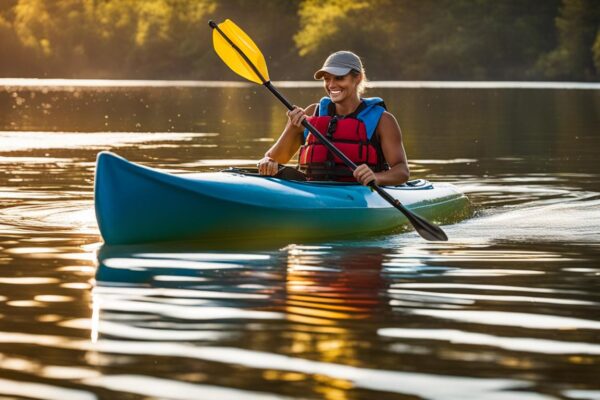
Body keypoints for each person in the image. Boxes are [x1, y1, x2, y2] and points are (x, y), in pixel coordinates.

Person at [257, 51, 409, 186]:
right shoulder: (312, 113)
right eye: (327, 79)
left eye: (339, 78)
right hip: (313, 192)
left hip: (361, 195)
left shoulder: (382, 120)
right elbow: (274, 159)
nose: (331, 85)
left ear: (358, 78)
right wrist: (292, 128)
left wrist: (377, 177)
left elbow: (402, 171)